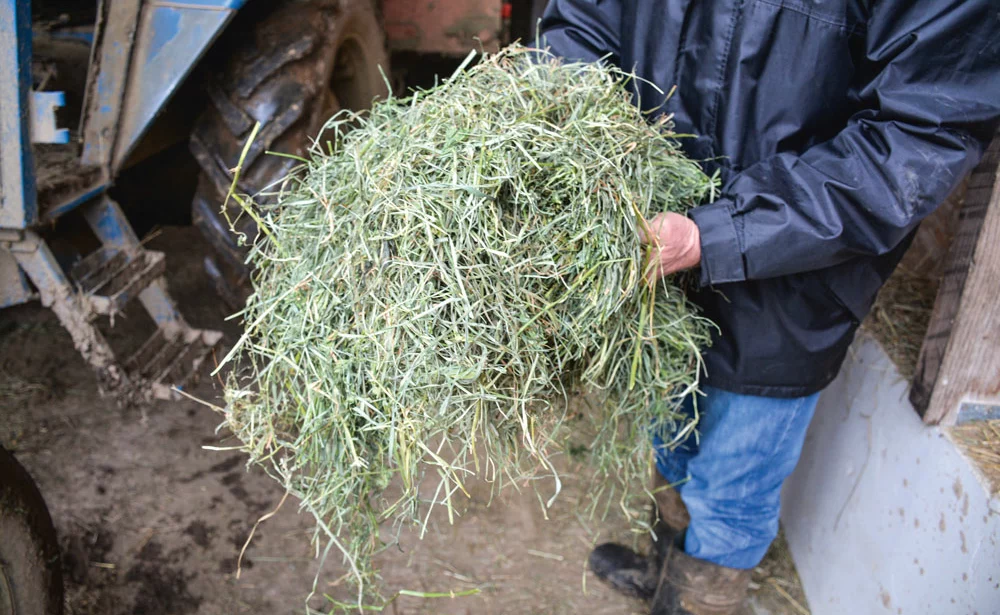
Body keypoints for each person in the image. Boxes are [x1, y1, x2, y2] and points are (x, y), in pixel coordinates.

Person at [538, 1, 1000, 613]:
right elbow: (582, 18)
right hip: (654, 259)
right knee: (673, 435)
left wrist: (717, 233)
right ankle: (664, 571)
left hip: (789, 284)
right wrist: (578, 135)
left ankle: (700, 601)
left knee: (732, 486)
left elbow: (918, 135)